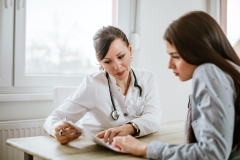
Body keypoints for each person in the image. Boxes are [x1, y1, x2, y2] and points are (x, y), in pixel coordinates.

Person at [112, 11, 240, 160]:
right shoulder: (231, 70)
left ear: (200, 51)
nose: (170, 65)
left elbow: (212, 154)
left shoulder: (207, 71)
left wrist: (145, 148)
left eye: (176, 56)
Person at [43, 26, 161, 145]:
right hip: (92, 148)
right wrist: (57, 130)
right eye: (107, 61)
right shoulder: (93, 84)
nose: (117, 66)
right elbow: (54, 117)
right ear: (100, 62)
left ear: (130, 49)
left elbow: (153, 117)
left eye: (121, 56)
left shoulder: (148, 78)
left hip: (128, 147)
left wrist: (129, 128)